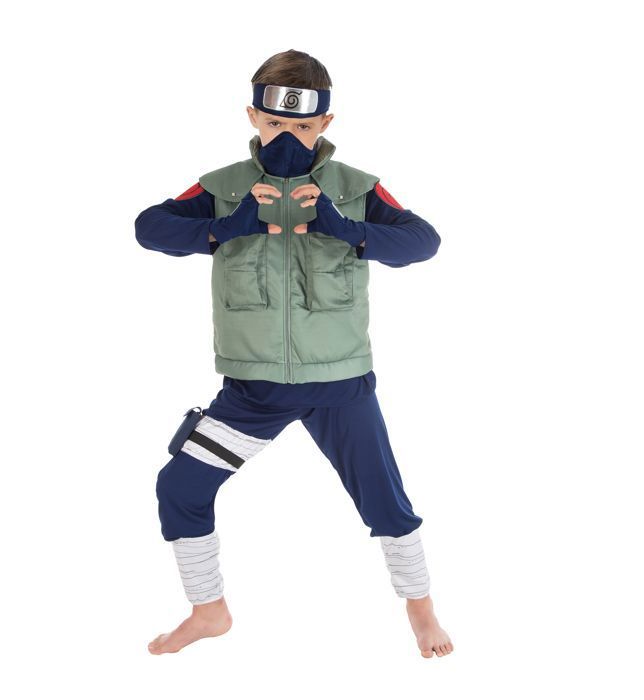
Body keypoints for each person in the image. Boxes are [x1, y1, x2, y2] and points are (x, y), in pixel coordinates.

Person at [135, 49, 453, 659]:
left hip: (341, 385)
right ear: (253, 116)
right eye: (276, 122)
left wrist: (350, 230)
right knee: (180, 486)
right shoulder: (222, 187)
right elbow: (150, 228)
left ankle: (421, 607)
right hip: (252, 392)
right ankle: (208, 611)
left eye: (303, 126)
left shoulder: (357, 188)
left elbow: (422, 242)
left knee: (385, 500)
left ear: (325, 123)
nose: (288, 136)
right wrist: (222, 228)